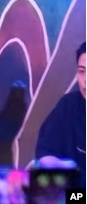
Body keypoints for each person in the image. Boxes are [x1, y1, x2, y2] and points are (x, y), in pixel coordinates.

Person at [35, 41, 86, 187]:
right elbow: (45, 151)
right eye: (82, 71)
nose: (85, 81)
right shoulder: (68, 106)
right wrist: (58, 165)